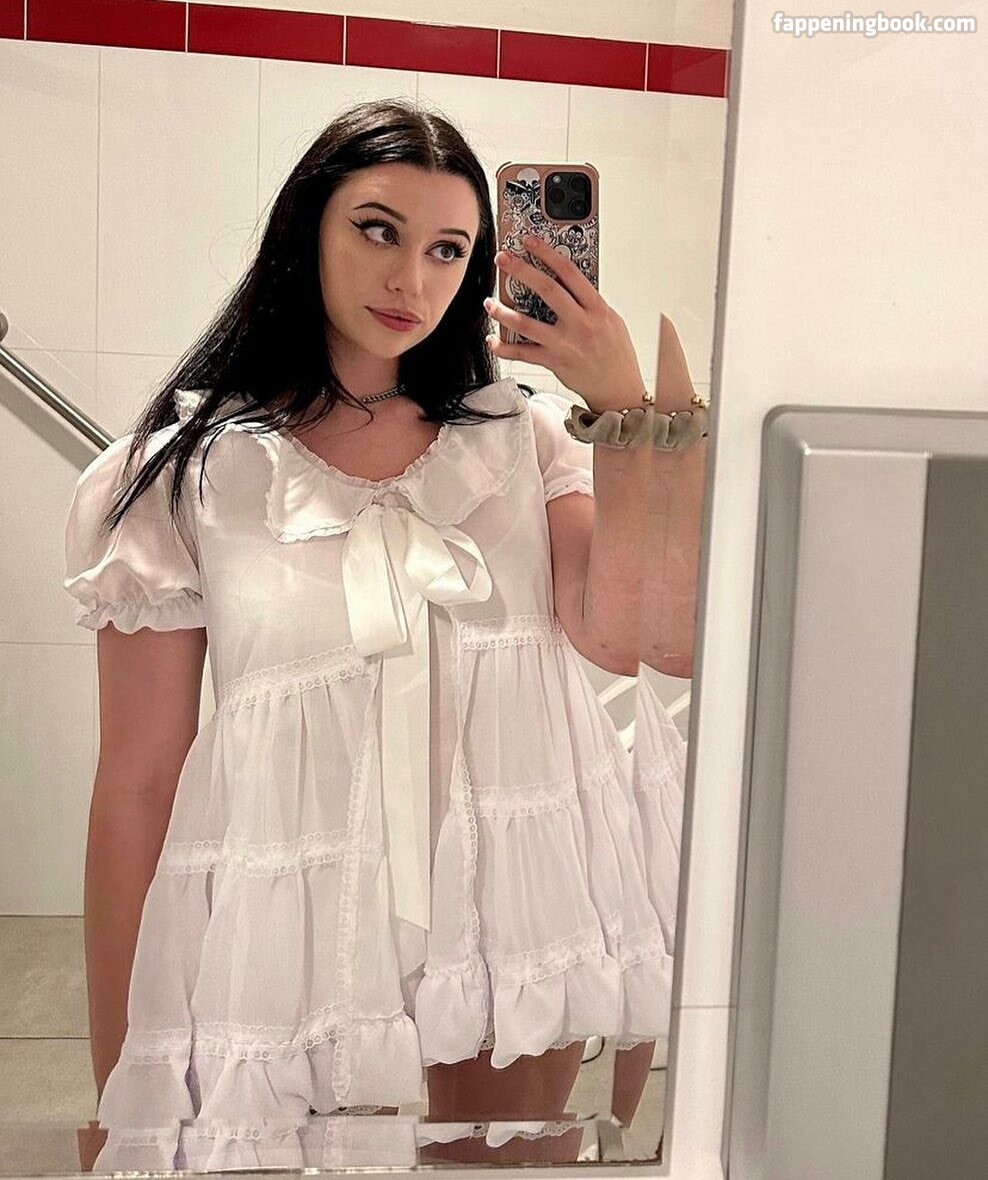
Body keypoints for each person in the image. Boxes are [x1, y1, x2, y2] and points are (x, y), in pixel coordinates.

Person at [63, 99, 705, 1171]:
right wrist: (119, 1082)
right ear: (306, 228)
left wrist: (624, 409)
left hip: (510, 906)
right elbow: (137, 783)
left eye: (449, 249)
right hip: (297, 923)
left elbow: (643, 637)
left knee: (506, 1165)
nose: (412, 278)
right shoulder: (184, 476)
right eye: (377, 230)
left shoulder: (525, 441)